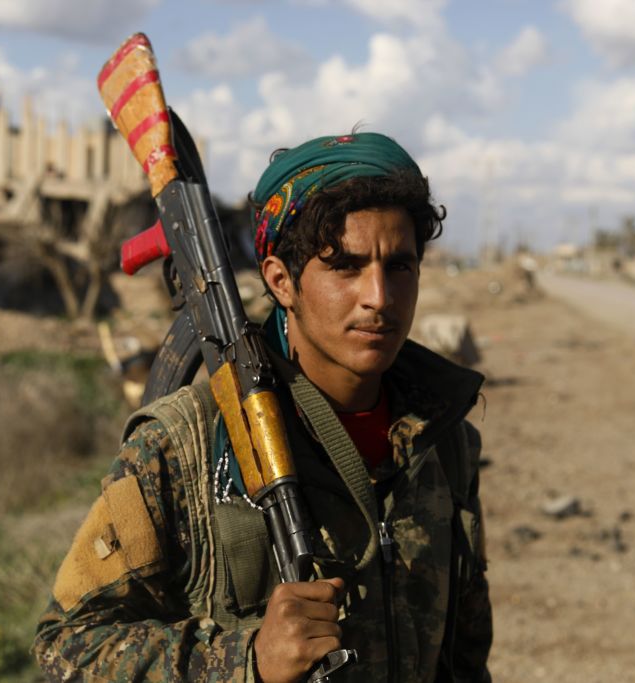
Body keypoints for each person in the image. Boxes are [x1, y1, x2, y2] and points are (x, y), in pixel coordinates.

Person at [34, 132, 492, 682]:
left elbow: (464, 656)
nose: (379, 296)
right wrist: (243, 661)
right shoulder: (185, 444)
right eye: (344, 266)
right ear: (281, 281)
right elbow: (67, 645)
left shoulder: (443, 441)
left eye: (399, 266)